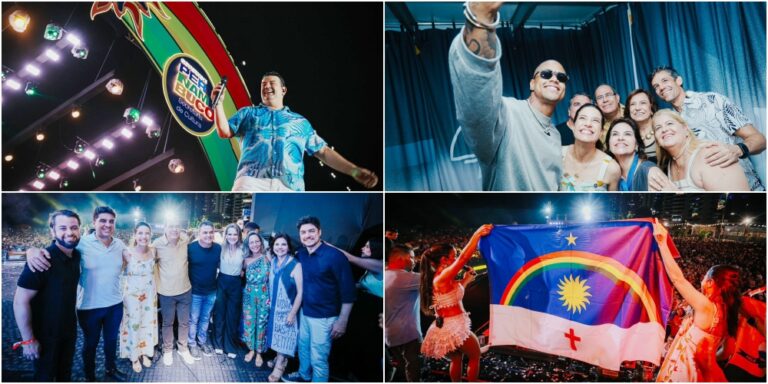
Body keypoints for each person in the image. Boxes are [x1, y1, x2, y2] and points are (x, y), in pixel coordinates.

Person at [448, 2, 565, 191]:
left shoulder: (555, 135)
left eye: (561, 77)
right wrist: (481, 18)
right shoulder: (508, 113)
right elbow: (477, 96)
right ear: (532, 84)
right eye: (545, 74)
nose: (554, 79)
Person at [211, 71, 378, 191]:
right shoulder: (248, 113)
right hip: (250, 181)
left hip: (290, 186)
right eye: (263, 84)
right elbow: (224, 131)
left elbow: (323, 151)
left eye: (271, 83)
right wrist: (217, 104)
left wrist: (353, 170)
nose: (266, 86)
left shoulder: (300, 122)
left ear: (283, 90)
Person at [27, 206, 127, 381]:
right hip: (89, 307)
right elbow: (57, 247)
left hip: (115, 304)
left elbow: (137, 255)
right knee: (90, 344)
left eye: (111, 221)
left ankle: (111, 369)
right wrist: (32, 251)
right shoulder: (81, 243)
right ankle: (90, 376)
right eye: (103, 220)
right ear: (94, 222)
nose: (107, 224)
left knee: (111, 342)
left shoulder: (120, 244)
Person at [649, 66, 765, 190]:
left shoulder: (713, 102)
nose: (661, 87)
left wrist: (737, 150)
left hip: (746, 189)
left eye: (665, 81)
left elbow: (760, 140)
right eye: (656, 86)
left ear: (678, 81)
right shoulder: (670, 123)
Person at [282, 216, 356, 382]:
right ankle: (303, 375)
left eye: (311, 231)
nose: (307, 235)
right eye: (303, 232)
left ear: (320, 232)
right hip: (305, 313)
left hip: (325, 317)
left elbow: (348, 291)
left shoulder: (335, 256)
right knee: (303, 349)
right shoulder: (301, 254)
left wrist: (342, 321)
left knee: (319, 358)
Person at [13, 210, 82, 381]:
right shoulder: (41, 259)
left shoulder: (77, 256)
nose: (70, 232)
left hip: (68, 330)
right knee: (44, 377)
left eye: (74, 227)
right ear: (52, 231)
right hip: (45, 336)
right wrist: (28, 340)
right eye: (63, 228)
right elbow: (20, 301)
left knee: (64, 374)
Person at [656, 246, 742, 381]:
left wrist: (662, 243)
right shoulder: (728, 312)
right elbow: (727, 351)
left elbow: (677, 279)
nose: (701, 282)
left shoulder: (706, 306)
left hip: (683, 373)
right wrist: (707, 359)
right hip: (701, 374)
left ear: (709, 283)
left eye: (703, 278)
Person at [420, 224, 492, 382]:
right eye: (452, 256)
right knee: (475, 356)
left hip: (443, 327)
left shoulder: (439, 279)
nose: (455, 260)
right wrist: (477, 234)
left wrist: (465, 281)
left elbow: (452, 296)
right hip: (454, 326)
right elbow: (464, 258)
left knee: (457, 359)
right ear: (443, 260)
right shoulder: (443, 275)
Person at [653, 109, 750, 191]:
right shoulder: (669, 165)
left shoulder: (710, 154)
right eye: (658, 128)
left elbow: (731, 204)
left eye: (669, 123)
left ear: (685, 129)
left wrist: (675, 194)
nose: (664, 129)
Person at [152, 220, 195, 366]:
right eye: (171, 225)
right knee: (167, 323)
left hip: (185, 289)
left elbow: (195, 235)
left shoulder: (184, 240)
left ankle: (183, 349)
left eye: (177, 226)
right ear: (165, 227)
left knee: (184, 322)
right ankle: (168, 350)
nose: (174, 229)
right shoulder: (157, 244)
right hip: (166, 292)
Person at [119, 222, 158, 373]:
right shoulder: (126, 253)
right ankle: (134, 356)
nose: (144, 236)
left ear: (150, 235)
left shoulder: (154, 251)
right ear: (135, 235)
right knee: (134, 325)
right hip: (132, 297)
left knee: (147, 324)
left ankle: (145, 352)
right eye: (140, 233)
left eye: (147, 233)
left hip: (149, 296)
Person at [265, 233, 303, 382]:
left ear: (289, 247)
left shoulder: (295, 264)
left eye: (283, 244)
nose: (280, 247)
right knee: (276, 336)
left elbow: (301, 292)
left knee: (286, 338)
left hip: (288, 310)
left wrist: (292, 314)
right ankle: (279, 358)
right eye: (277, 244)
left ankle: (280, 365)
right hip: (274, 309)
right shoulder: (273, 261)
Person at [560, 104, 621, 191]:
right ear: (572, 126)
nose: (588, 124)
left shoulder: (611, 168)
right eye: (582, 118)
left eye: (595, 120)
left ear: (601, 132)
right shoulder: (557, 154)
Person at [385, 244, 422, 382]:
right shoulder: (405, 278)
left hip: (390, 334)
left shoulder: (385, 274)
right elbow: (437, 281)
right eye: (412, 258)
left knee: (401, 366)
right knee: (413, 367)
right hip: (407, 334)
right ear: (401, 259)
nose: (415, 261)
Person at [605, 118, 672, 191]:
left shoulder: (650, 172)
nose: (620, 138)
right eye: (615, 134)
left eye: (627, 134)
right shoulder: (609, 172)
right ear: (608, 143)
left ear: (637, 144)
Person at [187, 221, 221, 359]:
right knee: (193, 319)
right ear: (199, 233)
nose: (208, 235)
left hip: (211, 291)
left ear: (214, 233)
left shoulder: (218, 248)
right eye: (205, 232)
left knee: (205, 318)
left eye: (210, 232)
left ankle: (202, 341)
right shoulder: (190, 248)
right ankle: (191, 343)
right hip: (195, 291)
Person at [213, 223, 245, 359]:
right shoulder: (220, 248)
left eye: (235, 234)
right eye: (229, 234)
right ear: (225, 235)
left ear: (239, 235)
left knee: (232, 315)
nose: (232, 237)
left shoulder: (244, 249)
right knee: (219, 313)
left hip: (236, 283)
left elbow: (246, 267)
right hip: (222, 281)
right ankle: (218, 343)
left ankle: (230, 345)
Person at [242, 231, 271, 367]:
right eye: (251, 242)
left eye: (257, 241)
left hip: (264, 295)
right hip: (248, 295)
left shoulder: (267, 258)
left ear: (261, 242)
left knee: (261, 323)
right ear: (248, 244)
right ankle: (251, 350)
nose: (254, 244)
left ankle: (259, 352)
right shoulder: (245, 260)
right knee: (249, 322)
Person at [722, 295, 766, 382]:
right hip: (757, 374)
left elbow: (726, 352)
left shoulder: (748, 303)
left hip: (738, 367)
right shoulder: (749, 304)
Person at [624, 89, 659, 162]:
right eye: (633, 104)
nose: (637, 108)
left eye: (643, 103)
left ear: (651, 107)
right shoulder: (626, 136)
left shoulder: (662, 130)